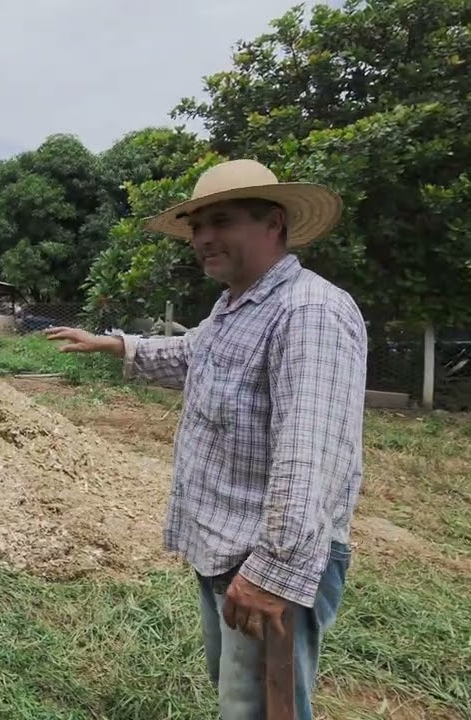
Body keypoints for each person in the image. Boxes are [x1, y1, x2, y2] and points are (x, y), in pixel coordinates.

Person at [45, 159, 367, 720]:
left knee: (261, 710)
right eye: (196, 225)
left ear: (273, 224)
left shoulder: (307, 312)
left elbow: (310, 456)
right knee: (237, 696)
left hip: (267, 562)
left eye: (221, 221)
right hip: (227, 551)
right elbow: (193, 355)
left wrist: (271, 573)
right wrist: (114, 345)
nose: (203, 238)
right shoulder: (234, 308)